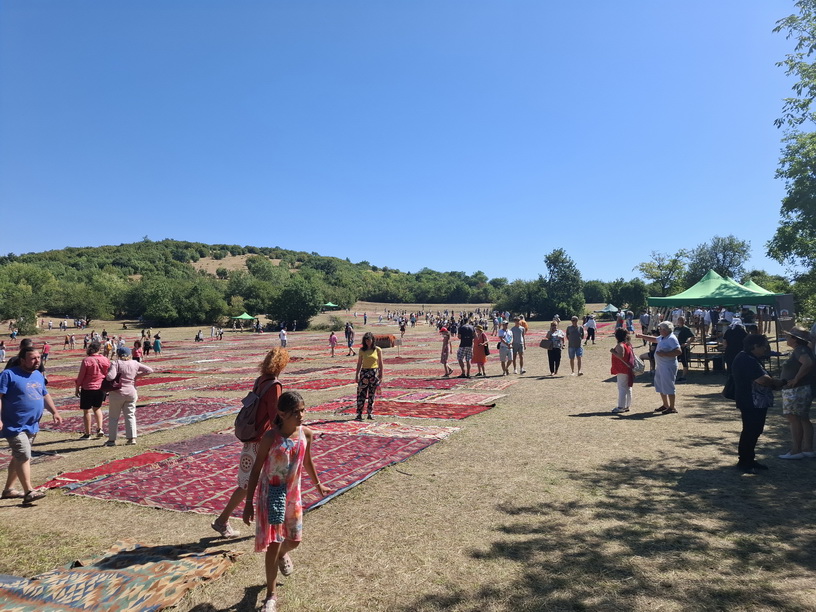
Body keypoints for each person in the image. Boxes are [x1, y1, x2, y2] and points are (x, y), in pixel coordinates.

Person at [242, 391, 330, 612]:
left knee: (295, 540)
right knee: (273, 544)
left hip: (293, 496)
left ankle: (283, 553)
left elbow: (307, 462)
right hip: (271, 494)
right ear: (281, 414)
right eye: (295, 412)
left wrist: (318, 485)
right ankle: (271, 596)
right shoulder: (271, 438)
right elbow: (256, 470)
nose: (301, 416)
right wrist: (248, 502)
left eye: (302, 410)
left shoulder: (306, 434)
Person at [212, 347, 289, 538]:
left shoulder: (260, 380)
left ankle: (223, 520)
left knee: (246, 484)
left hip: (252, 438)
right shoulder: (274, 385)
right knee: (270, 483)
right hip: (262, 441)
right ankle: (271, 524)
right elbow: (275, 417)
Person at [0, 345, 63, 505]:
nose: (37, 361)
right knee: (23, 455)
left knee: (19, 456)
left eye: (39, 357)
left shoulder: (38, 375)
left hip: (32, 425)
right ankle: (29, 491)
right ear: (22, 360)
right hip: (14, 425)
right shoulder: (8, 375)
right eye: (33, 358)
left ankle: (8, 490)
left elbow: (44, 394)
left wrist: (55, 411)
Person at [732, 334, 785, 473]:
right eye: (763, 346)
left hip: (755, 401)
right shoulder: (746, 359)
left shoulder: (749, 358)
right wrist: (776, 382)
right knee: (750, 430)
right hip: (751, 401)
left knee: (755, 430)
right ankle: (744, 462)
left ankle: (749, 459)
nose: (765, 349)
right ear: (754, 346)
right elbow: (762, 379)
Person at [103, 347, 153, 446]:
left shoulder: (116, 363)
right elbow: (149, 370)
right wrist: (136, 376)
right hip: (131, 392)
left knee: (114, 417)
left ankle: (112, 440)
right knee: (130, 415)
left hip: (117, 393)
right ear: (130, 354)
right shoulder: (134, 363)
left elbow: (110, 377)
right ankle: (132, 438)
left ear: (118, 354)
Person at [778, 328, 815, 460]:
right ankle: (808, 448)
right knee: (803, 418)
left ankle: (796, 450)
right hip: (802, 388)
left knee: (794, 417)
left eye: (789, 336)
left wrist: (796, 379)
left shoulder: (800, 350)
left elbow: (808, 363)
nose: (787, 339)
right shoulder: (804, 349)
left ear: (795, 339)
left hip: (798, 389)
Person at [637, 322, 681, 414]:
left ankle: (672, 407)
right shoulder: (663, 337)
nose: (659, 330)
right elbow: (654, 339)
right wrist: (642, 336)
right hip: (661, 366)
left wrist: (664, 354)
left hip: (668, 366)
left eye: (660, 329)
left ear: (665, 330)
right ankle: (665, 405)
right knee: (660, 385)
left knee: (668, 385)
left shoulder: (671, 338)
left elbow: (678, 351)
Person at [74, 341, 110, 439]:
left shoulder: (87, 360)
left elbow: (81, 376)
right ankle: (100, 428)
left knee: (86, 410)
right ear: (99, 349)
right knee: (97, 408)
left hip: (88, 388)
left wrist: (77, 388)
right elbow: (108, 374)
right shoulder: (105, 359)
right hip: (101, 387)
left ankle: (88, 433)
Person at [355, 332, 383, 420]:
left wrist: (381, 374)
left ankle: (370, 413)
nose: (368, 342)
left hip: (373, 373)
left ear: (372, 340)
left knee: (372, 394)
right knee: (361, 394)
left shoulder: (377, 350)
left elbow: (380, 363)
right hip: (364, 373)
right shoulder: (362, 350)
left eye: (369, 340)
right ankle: (359, 413)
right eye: (366, 341)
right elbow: (359, 363)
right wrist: (357, 374)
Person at [610, 328, 635, 414]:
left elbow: (621, 355)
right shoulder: (628, 344)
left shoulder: (620, 345)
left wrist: (613, 352)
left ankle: (621, 407)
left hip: (622, 368)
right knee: (628, 387)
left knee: (622, 388)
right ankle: (627, 405)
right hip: (628, 368)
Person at [673, 316, 695, 382]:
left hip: (683, 348)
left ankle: (683, 376)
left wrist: (687, 343)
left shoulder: (686, 329)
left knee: (684, 361)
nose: (681, 321)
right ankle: (674, 375)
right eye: (679, 320)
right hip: (675, 347)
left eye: (682, 320)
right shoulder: (675, 328)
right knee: (674, 361)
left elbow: (693, 337)